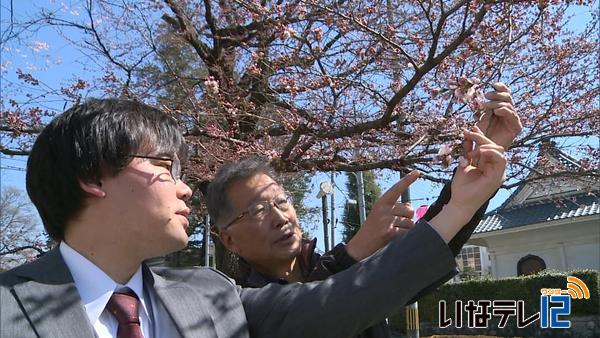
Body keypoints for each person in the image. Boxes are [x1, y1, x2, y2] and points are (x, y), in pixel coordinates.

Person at [0, 96, 510, 338]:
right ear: (94, 177)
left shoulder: (211, 296)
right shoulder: (10, 309)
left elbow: (343, 299)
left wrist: (461, 204)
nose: (183, 188)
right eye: (162, 166)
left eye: (281, 200)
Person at [207, 83, 521, 338]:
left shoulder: (329, 263)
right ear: (229, 240)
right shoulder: (235, 313)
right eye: (259, 210)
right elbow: (330, 303)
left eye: (281, 201)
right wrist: (357, 249)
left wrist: (476, 174)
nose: (279, 217)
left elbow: (409, 266)